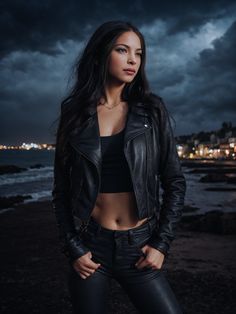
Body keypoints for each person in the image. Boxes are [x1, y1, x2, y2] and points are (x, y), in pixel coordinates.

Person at [52, 20, 187, 314]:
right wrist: (73, 248)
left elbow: (174, 181)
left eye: (138, 54)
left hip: (138, 247)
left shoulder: (151, 110)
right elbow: (61, 190)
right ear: (101, 54)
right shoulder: (74, 113)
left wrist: (161, 244)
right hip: (91, 248)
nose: (132, 61)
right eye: (123, 50)